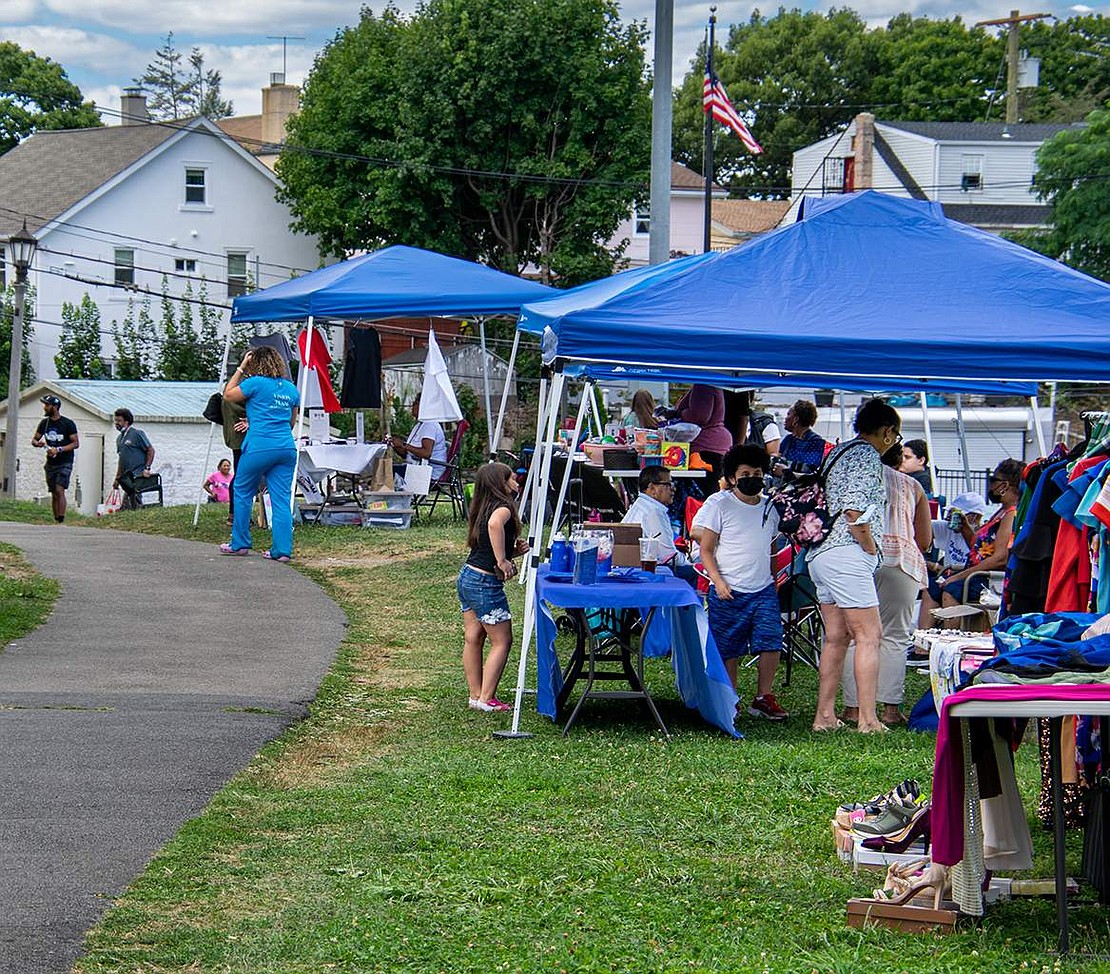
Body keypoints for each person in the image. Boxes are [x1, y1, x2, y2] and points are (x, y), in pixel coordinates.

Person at [808, 397, 902, 734]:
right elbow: (854, 510)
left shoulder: (838, 452)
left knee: (835, 638)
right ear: (888, 432)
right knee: (869, 636)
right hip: (848, 552)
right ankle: (868, 719)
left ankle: (825, 716)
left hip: (821, 554)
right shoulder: (866, 456)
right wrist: (870, 548)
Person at [692, 444, 788, 721]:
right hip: (728, 590)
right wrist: (718, 582)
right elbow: (705, 550)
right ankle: (728, 697)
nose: (752, 478)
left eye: (757, 472)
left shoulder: (770, 508)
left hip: (763, 589)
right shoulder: (720, 504)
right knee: (728, 646)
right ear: (732, 477)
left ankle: (763, 697)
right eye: (745, 473)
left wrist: (772, 579)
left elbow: (770, 547)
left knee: (771, 640)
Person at [841, 443, 932, 727]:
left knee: (856, 635)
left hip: (861, 558)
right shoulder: (913, 486)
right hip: (901, 562)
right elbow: (926, 539)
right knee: (895, 636)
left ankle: (853, 709)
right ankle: (890, 709)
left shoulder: (856, 479)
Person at [457, 462, 528, 712]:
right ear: (501, 483)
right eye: (511, 477)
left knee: (473, 637)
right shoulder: (503, 509)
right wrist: (502, 560)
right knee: (502, 640)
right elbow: (495, 526)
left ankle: (476, 694)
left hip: (468, 576)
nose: (517, 480)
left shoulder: (483, 508)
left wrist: (511, 553)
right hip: (484, 583)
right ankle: (487, 698)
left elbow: (488, 540)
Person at [220, 346, 300, 562]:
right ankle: (282, 551)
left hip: (258, 446)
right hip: (285, 447)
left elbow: (228, 395)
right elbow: (291, 422)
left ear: (255, 363)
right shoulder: (291, 389)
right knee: (281, 500)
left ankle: (240, 544)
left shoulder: (254, 383)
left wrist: (241, 367)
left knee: (243, 491)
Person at [937, 458, 1022, 607]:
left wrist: (960, 576)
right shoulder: (1001, 512)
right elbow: (981, 550)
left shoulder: (1010, 514)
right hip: (978, 575)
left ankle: (951, 630)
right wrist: (965, 528)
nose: (990, 485)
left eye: (993, 480)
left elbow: (1000, 558)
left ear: (1004, 485)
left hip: (989, 581)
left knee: (950, 590)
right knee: (932, 588)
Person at [918, 492, 988, 627]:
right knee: (930, 588)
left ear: (974, 517)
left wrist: (965, 529)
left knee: (950, 590)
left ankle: (949, 636)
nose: (952, 518)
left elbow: (979, 555)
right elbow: (920, 525)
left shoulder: (982, 534)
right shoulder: (948, 528)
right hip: (950, 574)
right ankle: (922, 640)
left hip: (970, 577)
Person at [622, 466, 697, 586]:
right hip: (645, 571)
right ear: (652, 488)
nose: (673, 489)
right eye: (668, 484)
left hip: (630, 568)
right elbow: (667, 555)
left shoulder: (640, 505)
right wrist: (691, 563)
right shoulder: (654, 511)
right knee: (693, 572)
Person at [31, 394, 79, 524]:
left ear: (55, 407)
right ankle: (56, 519)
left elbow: (75, 443)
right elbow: (34, 439)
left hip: (65, 461)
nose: (45, 407)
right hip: (51, 462)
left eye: (47, 405)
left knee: (60, 489)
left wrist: (59, 449)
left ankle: (62, 519)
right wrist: (38, 443)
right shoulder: (44, 423)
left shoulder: (67, 424)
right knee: (53, 492)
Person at [674, 384, 732, 480]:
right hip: (715, 445)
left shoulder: (702, 385)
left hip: (706, 446)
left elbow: (699, 416)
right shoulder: (712, 384)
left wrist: (678, 414)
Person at [391, 394, 447, 480]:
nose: (412, 406)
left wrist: (403, 444)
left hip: (429, 472)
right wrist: (394, 444)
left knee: (387, 471)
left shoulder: (430, 425)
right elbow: (406, 454)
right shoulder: (420, 425)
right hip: (417, 466)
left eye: (415, 403)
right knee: (386, 468)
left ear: (424, 405)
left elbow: (426, 453)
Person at [112, 408, 155, 510]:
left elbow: (150, 450)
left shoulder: (137, 434)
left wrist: (147, 468)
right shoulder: (119, 439)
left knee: (132, 498)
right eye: (115, 420)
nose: (116, 423)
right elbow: (121, 459)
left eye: (119, 421)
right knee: (128, 502)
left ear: (126, 421)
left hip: (137, 474)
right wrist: (117, 478)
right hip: (126, 477)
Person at [777, 399, 827, 471]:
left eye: (788, 414)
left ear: (796, 419)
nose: (785, 418)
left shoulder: (815, 441)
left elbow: (810, 468)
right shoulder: (788, 439)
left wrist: (786, 469)